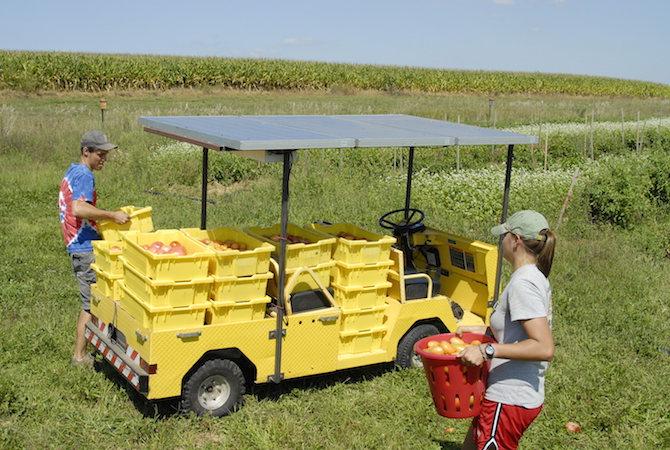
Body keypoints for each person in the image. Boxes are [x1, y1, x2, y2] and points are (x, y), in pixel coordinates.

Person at [459, 210, 556, 450]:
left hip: (510, 396)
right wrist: (484, 329)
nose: (500, 241)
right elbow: (517, 330)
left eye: (504, 235)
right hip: (504, 390)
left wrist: (486, 350)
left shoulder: (523, 284)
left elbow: (543, 347)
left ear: (516, 240)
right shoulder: (529, 277)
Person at [58, 130, 129, 366]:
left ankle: (92, 347)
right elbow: (78, 209)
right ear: (86, 152)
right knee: (91, 304)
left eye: (105, 154)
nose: (104, 159)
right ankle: (79, 356)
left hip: (79, 244)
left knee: (94, 301)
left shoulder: (73, 171)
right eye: (100, 154)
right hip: (84, 248)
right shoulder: (84, 175)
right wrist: (111, 216)